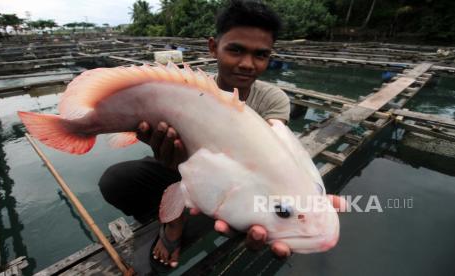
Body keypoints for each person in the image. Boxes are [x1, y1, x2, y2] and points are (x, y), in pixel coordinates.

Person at [99, 0, 345, 270]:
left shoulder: (273, 98)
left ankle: (180, 218)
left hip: (228, 181)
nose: (247, 64)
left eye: (260, 55)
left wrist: (306, 194)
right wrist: (162, 148)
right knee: (115, 180)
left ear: (269, 57)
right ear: (213, 47)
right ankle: (170, 218)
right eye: (236, 50)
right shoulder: (185, 89)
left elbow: (280, 153)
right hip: (176, 164)